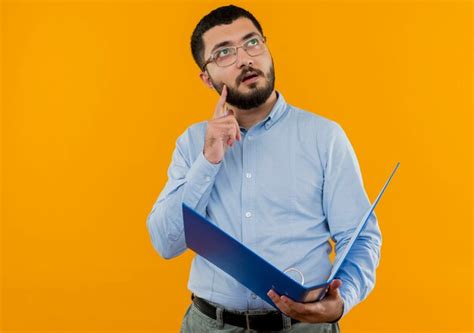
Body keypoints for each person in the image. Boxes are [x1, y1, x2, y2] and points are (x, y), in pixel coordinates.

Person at [146, 4, 382, 332]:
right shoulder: (192, 143)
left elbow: (358, 237)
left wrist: (343, 300)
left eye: (252, 43)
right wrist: (209, 159)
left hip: (303, 327)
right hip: (211, 325)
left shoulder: (324, 137)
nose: (245, 59)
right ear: (206, 76)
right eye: (224, 53)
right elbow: (166, 242)